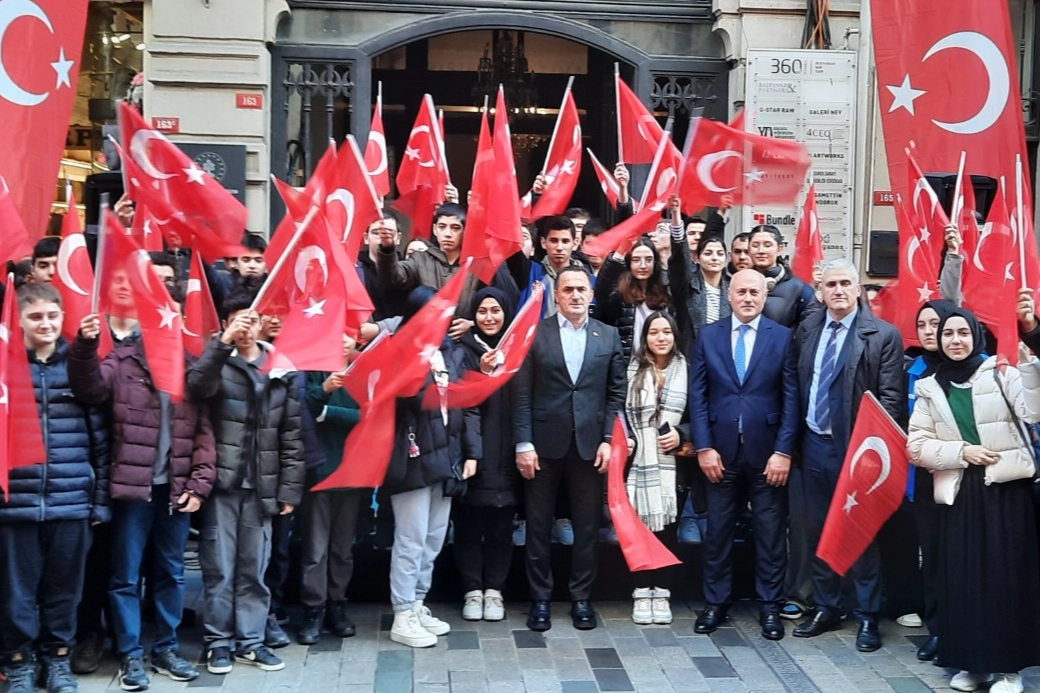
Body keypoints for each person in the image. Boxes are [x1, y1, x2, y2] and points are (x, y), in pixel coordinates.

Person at [69, 306, 216, 691]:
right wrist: (85, 345)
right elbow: (89, 388)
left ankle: (166, 647)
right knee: (125, 576)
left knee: (171, 572)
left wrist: (199, 485)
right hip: (133, 489)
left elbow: (203, 432)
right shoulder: (123, 360)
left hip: (177, 489)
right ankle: (130, 653)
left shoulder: (189, 366)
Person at [908, 307, 1040, 693]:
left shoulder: (1002, 373)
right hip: (961, 495)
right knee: (961, 580)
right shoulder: (930, 386)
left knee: (1004, 581)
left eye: (963, 332)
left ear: (976, 336)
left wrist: (1029, 366)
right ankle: (971, 664)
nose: (955, 340)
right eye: (948, 334)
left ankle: (1007, 670)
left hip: (1006, 494)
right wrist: (962, 452)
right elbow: (915, 446)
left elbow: (1034, 411)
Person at [187, 289, 304, 675]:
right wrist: (221, 345)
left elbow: (291, 433)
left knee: (255, 568)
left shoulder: (280, 366)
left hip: (263, 487)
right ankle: (218, 642)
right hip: (223, 484)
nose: (247, 327)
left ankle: (251, 641)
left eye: (252, 319)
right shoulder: (216, 359)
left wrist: (289, 488)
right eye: (238, 320)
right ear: (225, 323)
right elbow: (197, 386)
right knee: (218, 567)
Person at [0, 284, 110, 693]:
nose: (44, 324)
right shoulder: (5, 366)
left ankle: (57, 660)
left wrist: (97, 502)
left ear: (63, 318)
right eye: (35, 317)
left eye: (51, 316)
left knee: (64, 591)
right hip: (16, 504)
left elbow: (101, 440)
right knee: (17, 594)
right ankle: (19, 662)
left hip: (70, 502)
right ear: (19, 320)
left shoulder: (80, 368)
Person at [791, 259, 904, 652]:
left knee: (860, 533)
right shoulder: (807, 329)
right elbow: (798, 387)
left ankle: (868, 614)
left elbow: (890, 399)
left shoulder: (883, 335)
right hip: (814, 445)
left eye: (845, 283)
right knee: (819, 529)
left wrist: (874, 453)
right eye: (830, 284)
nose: (838, 290)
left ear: (858, 289)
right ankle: (827, 605)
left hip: (858, 453)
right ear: (819, 291)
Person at [689, 269, 800, 641]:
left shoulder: (783, 338)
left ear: (764, 296)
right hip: (719, 454)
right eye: (741, 292)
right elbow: (698, 398)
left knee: (769, 534)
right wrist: (703, 446)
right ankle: (715, 603)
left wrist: (784, 451)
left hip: (768, 455)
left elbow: (791, 400)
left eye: (755, 292)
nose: (748, 298)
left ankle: (770, 607)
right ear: (730, 295)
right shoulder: (708, 336)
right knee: (717, 532)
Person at [514, 267, 627, 632]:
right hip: (543, 447)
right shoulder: (536, 333)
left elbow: (615, 394)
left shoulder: (608, 336)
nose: (576, 295)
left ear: (592, 295)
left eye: (582, 289)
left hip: (590, 446)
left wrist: (609, 440)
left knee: (587, 527)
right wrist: (524, 442)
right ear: (556, 295)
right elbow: (521, 394)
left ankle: (581, 598)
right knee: (538, 526)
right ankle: (540, 600)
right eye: (568, 290)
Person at [385, 287, 482, 648]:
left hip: (446, 457)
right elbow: (400, 399)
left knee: (433, 538)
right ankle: (402, 612)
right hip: (411, 456)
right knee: (410, 538)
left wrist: (470, 452)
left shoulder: (448, 353)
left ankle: (419, 602)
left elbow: (461, 404)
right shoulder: (399, 352)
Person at [454, 287, 525, 622]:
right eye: (482, 311)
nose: (490, 317)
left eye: (496, 310)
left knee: (501, 524)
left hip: (508, 450)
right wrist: (481, 373)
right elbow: (462, 402)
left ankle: (494, 590)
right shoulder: (463, 350)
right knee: (468, 523)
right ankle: (471, 588)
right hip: (473, 453)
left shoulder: (518, 351)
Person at [297, 335, 367, 644]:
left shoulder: (364, 371)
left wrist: (329, 414)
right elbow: (303, 409)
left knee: (342, 548)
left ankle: (338, 605)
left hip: (351, 471)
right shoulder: (313, 369)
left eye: (348, 335)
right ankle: (314, 608)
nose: (340, 341)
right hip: (319, 472)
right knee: (315, 548)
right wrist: (323, 392)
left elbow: (369, 416)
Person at [624, 312, 687, 625]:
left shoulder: (685, 369)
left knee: (667, 530)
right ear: (645, 338)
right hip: (638, 462)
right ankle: (640, 592)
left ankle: (661, 592)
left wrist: (682, 433)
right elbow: (618, 410)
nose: (661, 338)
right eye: (654, 332)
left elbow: (699, 412)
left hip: (674, 463)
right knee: (639, 530)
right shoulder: (632, 370)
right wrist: (628, 436)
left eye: (666, 332)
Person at [376, 202, 518, 334]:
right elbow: (392, 278)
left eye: (455, 228)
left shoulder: (478, 264)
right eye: (442, 227)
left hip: (464, 341)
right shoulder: (421, 259)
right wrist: (387, 250)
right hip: (427, 337)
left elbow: (501, 302)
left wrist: (472, 324)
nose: (448, 234)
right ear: (435, 229)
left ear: (465, 231)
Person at [594, 238, 672, 361]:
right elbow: (602, 289)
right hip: (628, 364)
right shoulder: (619, 293)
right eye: (636, 260)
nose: (643, 265)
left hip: (659, 364)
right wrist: (619, 253)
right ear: (629, 263)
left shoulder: (665, 290)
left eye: (648, 260)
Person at [507, 215, 590, 317]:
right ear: (543, 242)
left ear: (575, 243)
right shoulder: (529, 272)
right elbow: (510, 244)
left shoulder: (588, 278)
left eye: (565, 241)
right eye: (554, 241)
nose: (559, 247)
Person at [747, 225, 817, 327]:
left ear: (779, 249)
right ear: (749, 249)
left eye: (767, 245)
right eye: (755, 245)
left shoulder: (800, 288)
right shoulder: (739, 283)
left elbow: (809, 330)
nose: (761, 250)